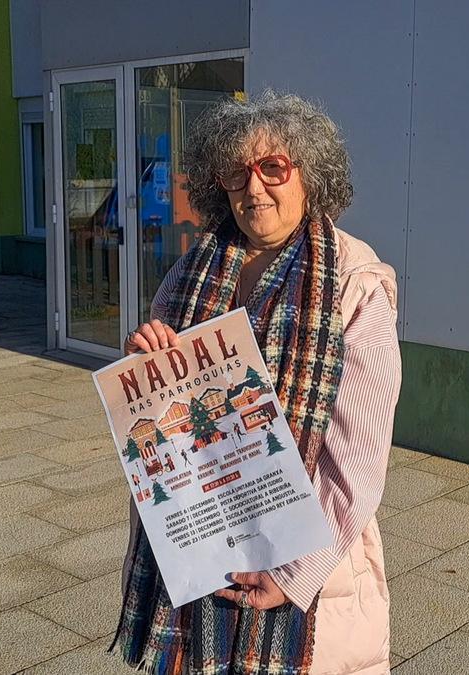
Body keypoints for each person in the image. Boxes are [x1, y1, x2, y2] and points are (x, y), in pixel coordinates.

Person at [114, 91, 402, 675]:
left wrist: (293, 571)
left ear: (309, 175)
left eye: (273, 167)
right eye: (236, 172)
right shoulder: (193, 269)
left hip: (308, 569)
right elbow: (157, 422)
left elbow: (359, 459)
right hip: (197, 547)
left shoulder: (353, 281)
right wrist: (147, 365)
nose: (254, 188)